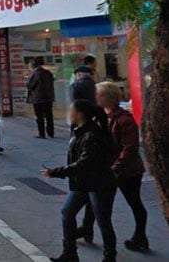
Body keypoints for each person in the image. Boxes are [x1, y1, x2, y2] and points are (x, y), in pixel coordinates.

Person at [42, 99, 117, 262]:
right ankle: (70, 253)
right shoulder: (79, 130)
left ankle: (110, 257)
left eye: (71, 110)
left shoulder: (93, 134)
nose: (69, 113)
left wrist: (56, 172)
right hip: (83, 181)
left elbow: (85, 163)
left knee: (103, 220)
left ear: (80, 113)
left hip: (99, 183)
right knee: (67, 212)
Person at [77, 82, 149, 252]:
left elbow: (129, 148)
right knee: (93, 199)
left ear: (108, 98)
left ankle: (140, 236)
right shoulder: (99, 116)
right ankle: (87, 228)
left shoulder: (124, 120)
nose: (94, 97)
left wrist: (115, 168)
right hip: (106, 169)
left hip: (127, 171)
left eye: (98, 94)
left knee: (134, 203)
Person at [26, 57, 56, 138]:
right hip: (48, 97)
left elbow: (29, 85)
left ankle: (42, 133)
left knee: (39, 117)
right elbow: (52, 81)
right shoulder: (48, 72)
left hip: (38, 99)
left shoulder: (35, 74)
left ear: (33, 66)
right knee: (49, 116)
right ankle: (51, 132)